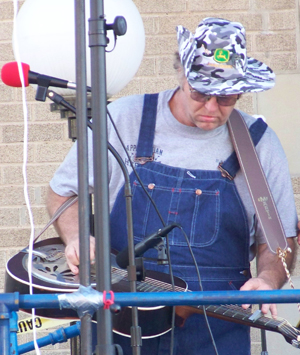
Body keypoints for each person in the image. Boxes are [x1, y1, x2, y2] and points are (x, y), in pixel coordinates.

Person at [47, 18, 297, 355]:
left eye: (226, 98)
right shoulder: (123, 120)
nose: (211, 108)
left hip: (215, 329)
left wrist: (268, 279)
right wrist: (77, 236)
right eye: (201, 93)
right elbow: (64, 193)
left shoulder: (258, 144)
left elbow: (280, 239)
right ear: (181, 74)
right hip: (122, 318)